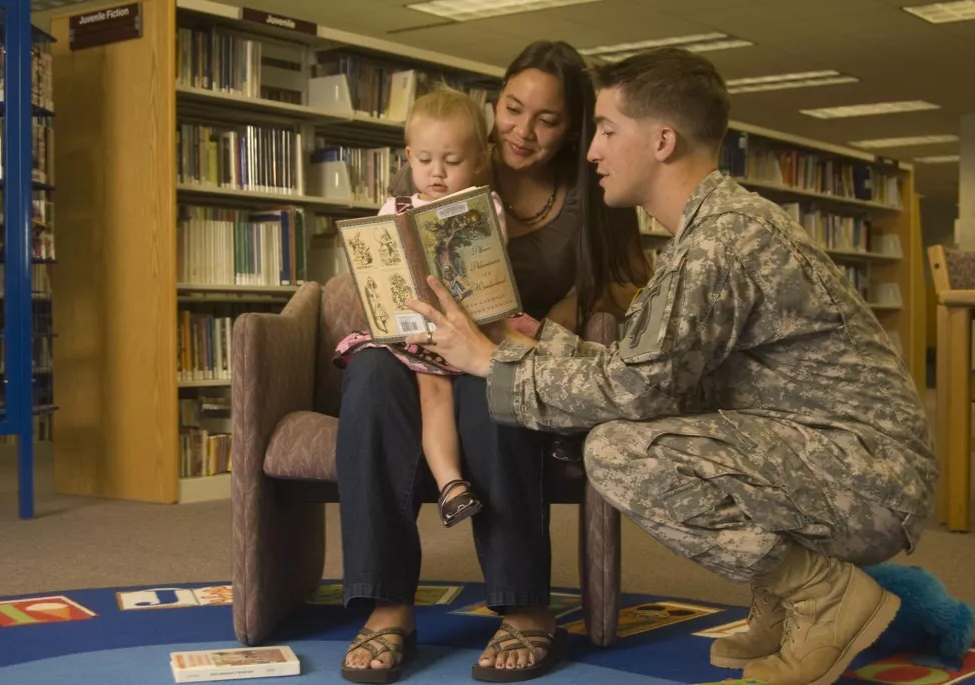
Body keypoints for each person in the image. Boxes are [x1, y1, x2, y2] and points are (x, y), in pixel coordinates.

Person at [402, 46, 938, 685]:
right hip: (835, 455)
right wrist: (524, 336)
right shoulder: (711, 225)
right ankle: (785, 597)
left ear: (661, 141)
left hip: (866, 478)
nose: (592, 150)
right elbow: (645, 368)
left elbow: (632, 392)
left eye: (605, 130)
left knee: (622, 451)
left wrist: (492, 360)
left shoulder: (717, 245)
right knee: (641, 424)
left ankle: (825, 596)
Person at [336, 40, 650, 683]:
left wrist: (560, 315)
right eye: (512, 109)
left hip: (512, 345)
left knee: (496, 391)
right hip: (420, 341)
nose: (523, 131)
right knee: (369, 378)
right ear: (493, 105)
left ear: (574, 129)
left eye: (548, 119)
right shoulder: (440, 158)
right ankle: (386, 606)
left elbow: (625, 283)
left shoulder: (593, 185)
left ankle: (524, 609)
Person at [334, 86, 540, 535]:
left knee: (522, 355)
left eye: (452, 160)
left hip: (469, 327)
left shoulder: (485, 208)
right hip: (416, 328)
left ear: (479, 160)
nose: (438, 173)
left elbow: (488, 270)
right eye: (425, 160)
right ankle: (451, 487)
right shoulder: (393, 207)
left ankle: (559, 425)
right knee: (433, 394)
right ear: (408, 156)